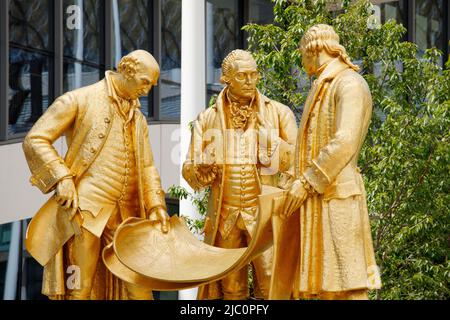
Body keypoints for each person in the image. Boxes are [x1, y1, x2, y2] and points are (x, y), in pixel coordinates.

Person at [23, 50, 169, 300]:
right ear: (128, 71)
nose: (147, 91)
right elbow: (35, 139)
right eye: (145, 82)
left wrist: (156, 204)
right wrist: (62, 178)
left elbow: (147, 166)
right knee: (80, 288)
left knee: (140, 291)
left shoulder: (138, 117)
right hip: (86, 213)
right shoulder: (79, 100)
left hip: (127, 218)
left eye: (152, 85)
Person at [273, 24, 382, 300]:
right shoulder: (324, 84)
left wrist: (307, 181)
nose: (301, 61)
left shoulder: (349, 84)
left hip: (338, 198)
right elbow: (307, 146)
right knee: (326, 289)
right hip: (320, 199)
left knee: (347, 286)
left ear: (314, 48)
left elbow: (344, 141)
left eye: (302, 54)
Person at [182, 49, 297, 300]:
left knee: (271, 285)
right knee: (231, 289)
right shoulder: (207, 119)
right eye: (243, 75)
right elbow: (189, 173)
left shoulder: (278, 113)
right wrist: (200, 169)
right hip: (226, 217)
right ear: (226, 79)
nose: (250, 81)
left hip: (265, 218)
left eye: (254, 74)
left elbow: (295, 163)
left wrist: (270, 143)